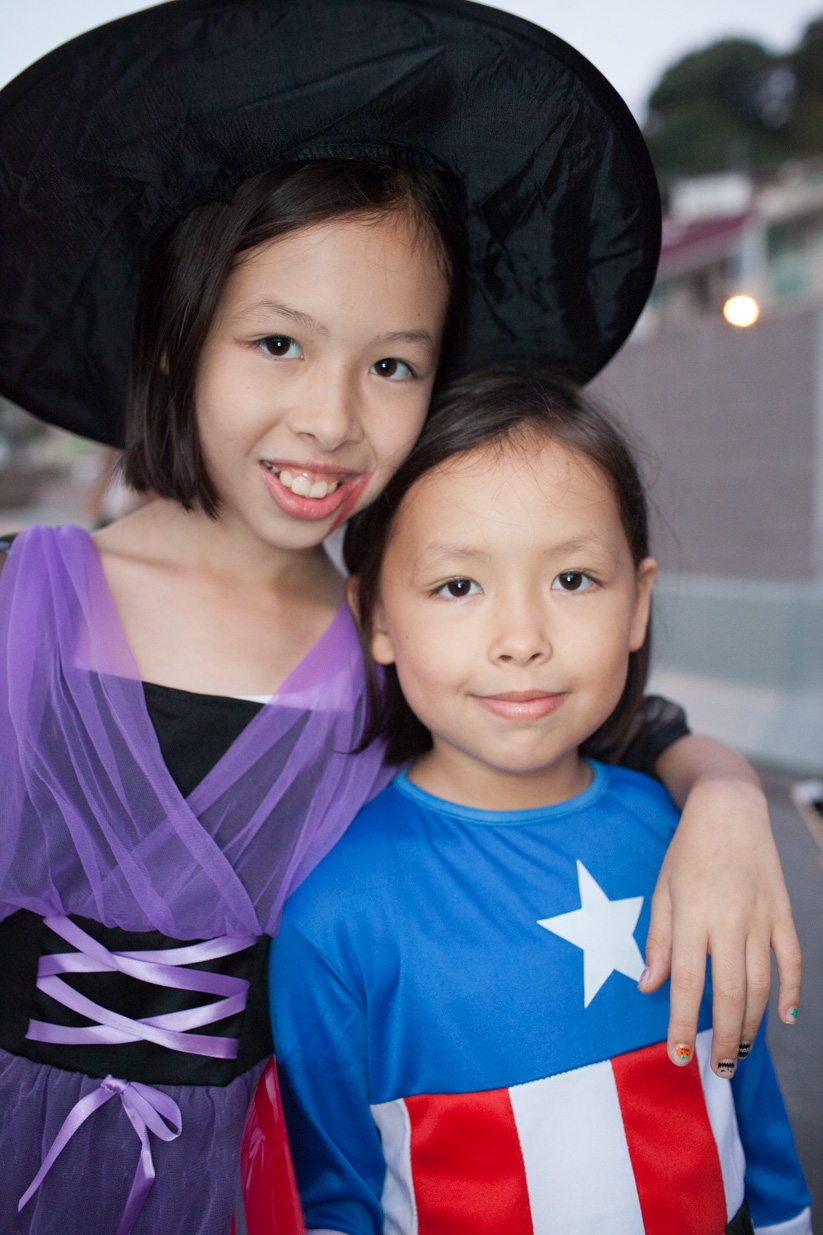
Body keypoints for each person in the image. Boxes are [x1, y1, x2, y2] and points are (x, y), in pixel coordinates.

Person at [0, 2, 800, 1233]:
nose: (331, 418)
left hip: (256, 1185)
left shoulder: (409, 646)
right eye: (278, 341)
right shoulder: (17, 597)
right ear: (172, 342)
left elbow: (632, 734)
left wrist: (731, 801)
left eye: (391, 365)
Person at [270, 367, 812, 1235]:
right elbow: (332, 1194)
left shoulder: (687, 840)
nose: (520, 639)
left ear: (637, 602)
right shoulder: (334, 914)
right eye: (458, 586)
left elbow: (747, 1102)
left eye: (572, 579)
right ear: (376, 617)